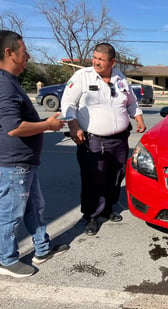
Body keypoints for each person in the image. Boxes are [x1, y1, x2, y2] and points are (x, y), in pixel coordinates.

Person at [0, 30, 69, 278]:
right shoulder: (3, 84)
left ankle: (42, 248)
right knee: (11, 214)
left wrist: (44, 122)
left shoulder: (11, 82)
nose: (27, 55)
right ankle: (6, 260)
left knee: (34, 208)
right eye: (23, 50)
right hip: (14, 164)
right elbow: (13, 128)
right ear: (9, 53)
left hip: (26, 163)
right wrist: (47, 126)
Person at [61, 43, 146, 236]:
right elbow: (68, 103)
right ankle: (91, 216)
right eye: (95, 57)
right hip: (93, 139)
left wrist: (139, 118)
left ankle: (108, 208)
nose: (96, 62)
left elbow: (131, 102)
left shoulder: (120, 77)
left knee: (116, 175)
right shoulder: (82, 76)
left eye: (101, 59)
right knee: (93, 178)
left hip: (120, 139)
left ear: (112, 62)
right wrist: (73, 126)